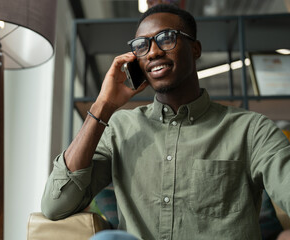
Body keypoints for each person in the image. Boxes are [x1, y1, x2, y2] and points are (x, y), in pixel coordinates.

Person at [41, 4, 290, 240]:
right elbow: (56, 204)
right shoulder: (120, 129)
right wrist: (103, 106)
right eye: (142, 45)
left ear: (195, 49)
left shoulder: (252, 130)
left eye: (166, 38)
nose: (154, 51)